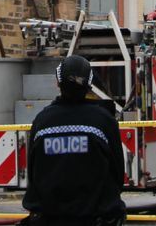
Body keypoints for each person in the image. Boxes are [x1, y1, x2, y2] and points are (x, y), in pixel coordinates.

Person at [22, 55, 126, 226]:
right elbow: (117, 173)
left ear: (57, 82)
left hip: (49, 219)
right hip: (95, 219)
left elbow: (34, 173)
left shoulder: (42, 122)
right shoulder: (104, 121)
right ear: (89, 86)